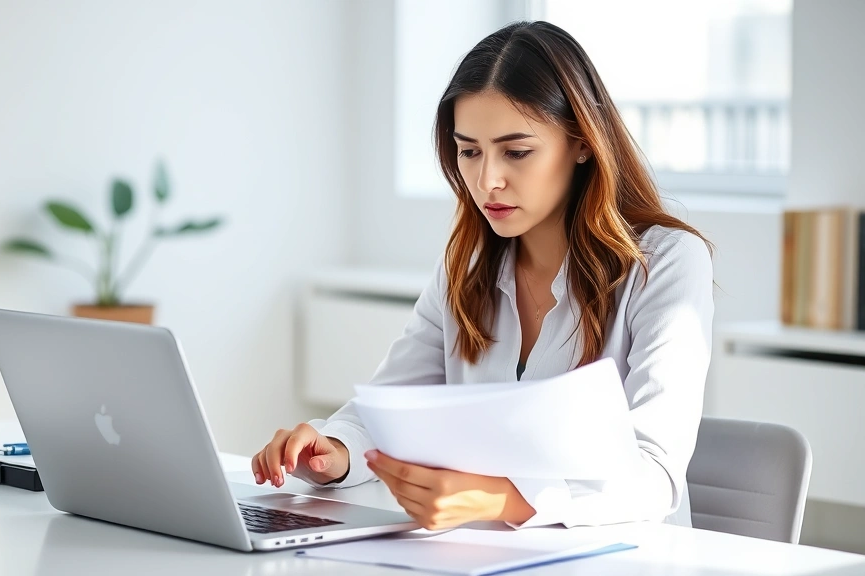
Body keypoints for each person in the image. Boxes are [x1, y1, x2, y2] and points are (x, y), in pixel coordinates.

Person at [251, 20, 713, 530]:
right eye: (469, 151)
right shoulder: (466, 267)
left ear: (582, 143)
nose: (487, 179)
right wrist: (333, 450)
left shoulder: (667, 262)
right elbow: (387, 409)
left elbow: (654, 476)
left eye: (516, 152)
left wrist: (499, 500)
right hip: (487, 555)